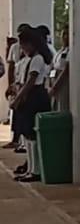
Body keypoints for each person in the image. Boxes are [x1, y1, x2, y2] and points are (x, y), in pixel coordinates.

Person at [9, 27, 52, 183]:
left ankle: (36, 170)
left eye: (25, 44)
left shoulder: (38, 59)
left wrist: (18, 99)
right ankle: (30, 168)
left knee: (33, 135)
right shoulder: (28, 59)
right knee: (27, 135)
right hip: (29, 97)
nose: (23, 48)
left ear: (33, 44)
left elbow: (30, 82)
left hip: (35, 97)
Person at [5, 24, 31, 151]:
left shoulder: (34, 57)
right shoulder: (14, 48)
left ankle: (22, 142)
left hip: (25, 87)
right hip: (17, 84)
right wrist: (11, 85)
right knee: (17, 113)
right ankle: (16, 139)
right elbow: (11, 67)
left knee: (24, 114)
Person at [48, 26, 70, 112]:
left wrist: (54, 87)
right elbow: (52, 68)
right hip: (54, 78)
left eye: (67, 34)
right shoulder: (59, 52)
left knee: (62, 106)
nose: (65, 37)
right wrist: (50, 84)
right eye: (63, 34)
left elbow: (65, 70)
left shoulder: (70, 51)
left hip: (62, 82)